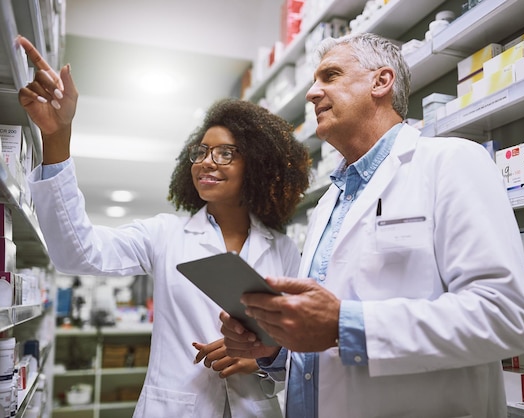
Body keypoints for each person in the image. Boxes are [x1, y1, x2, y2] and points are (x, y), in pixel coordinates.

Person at [219, 32, 524, 417]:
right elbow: (327, 347)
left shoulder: (451, 163)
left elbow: (506, 318)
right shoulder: (329, 203)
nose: (312, 93)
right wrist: (275, 347)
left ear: (381, 82)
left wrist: (344, 325)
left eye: (330, 76)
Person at [16, 35, 310, 418]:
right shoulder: (165, 235)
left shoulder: (283, 250)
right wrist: (57, 136)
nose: (207, 161)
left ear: (257, 165)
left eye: (225, 153)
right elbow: (76, 253)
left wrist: (260, 358)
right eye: (201, 151)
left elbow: (299, 349)